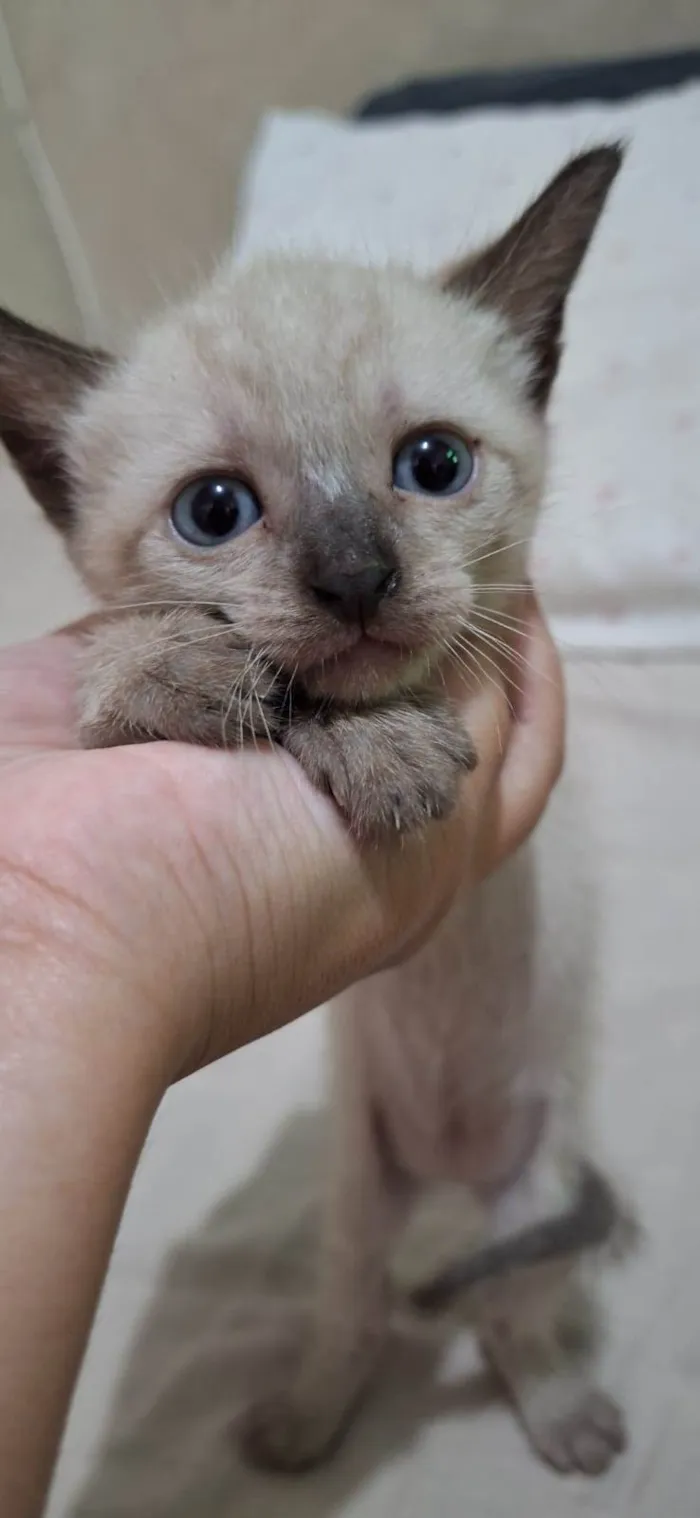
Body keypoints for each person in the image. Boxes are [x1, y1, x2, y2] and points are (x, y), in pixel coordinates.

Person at [0, 591, 564, 1518]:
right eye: (217, 510)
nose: (352, 573)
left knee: (538, 1219)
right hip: (386, 1079)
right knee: (354, 1213)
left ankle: (530, 1346)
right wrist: (54, 924)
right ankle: (344, 1357)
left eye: (429, 462)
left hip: (523, 1066)